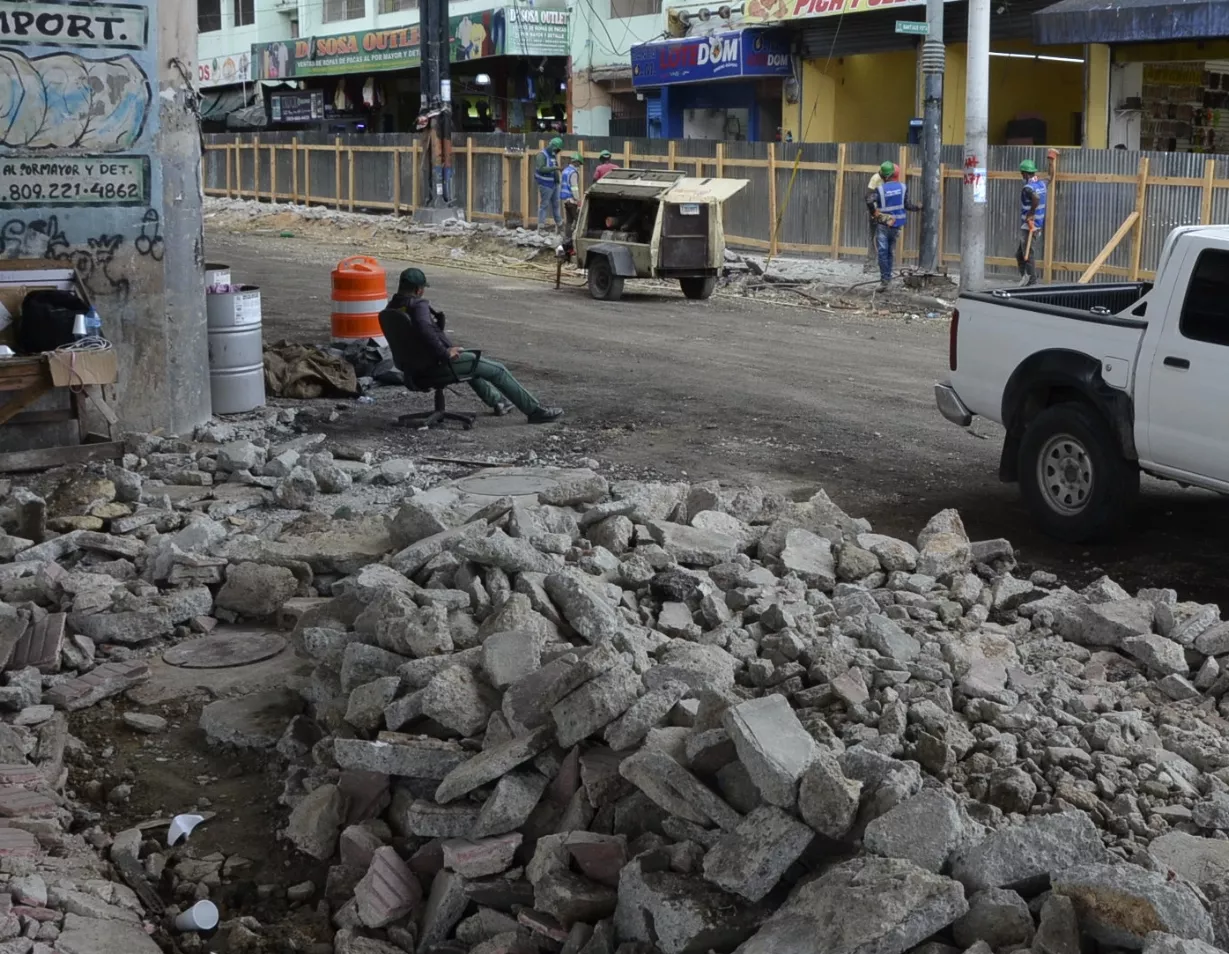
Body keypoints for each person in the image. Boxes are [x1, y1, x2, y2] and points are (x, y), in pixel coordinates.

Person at [388, 268, 564, 424]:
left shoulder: (392, 308)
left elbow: (417, 335)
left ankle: (498, 402)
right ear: (419, 289)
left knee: (472, 363)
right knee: (497, 369)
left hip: (413, 369)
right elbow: (425, 330)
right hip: (435, 367)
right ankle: (535, 411)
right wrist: (445, 352)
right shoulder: (418, 306)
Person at [866, 161, 920, 290]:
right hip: (896, 226)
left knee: (883, 253)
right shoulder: (903, 187)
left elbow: (868, 200)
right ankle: (887, 278)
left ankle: (885, 280)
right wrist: (918, 207)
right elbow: (907, 205)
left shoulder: (880, 190)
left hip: (883, 224)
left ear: (884, 176)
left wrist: (874, 213)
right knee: (889, 252)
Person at [1016, 159, 1047, 287]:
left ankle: (1031, 282)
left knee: (1027, 254)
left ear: (1024, 173)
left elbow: (1036, 198)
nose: (1022, 176)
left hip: (1030, 225)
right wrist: (1051, 162)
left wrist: (1031, 213)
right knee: (1019, 254)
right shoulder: (1041, 184)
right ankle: (1025, 276)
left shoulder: (1028, 188)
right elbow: (1050, 177)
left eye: (1022, 173)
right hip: (1038, 224)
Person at [534, 136, 564, 233]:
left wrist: (558, 180)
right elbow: (541, 168)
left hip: (554, 184)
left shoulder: (552, 155)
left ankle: (560, 226)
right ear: (552, 146)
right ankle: (541, 227)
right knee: (544, 205)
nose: (557, 151)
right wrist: (555, 168)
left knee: (556, 205)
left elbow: (554, 167)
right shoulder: (541, 155)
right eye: (556, 149)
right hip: (545, 184)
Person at [561, 153, 582, 238]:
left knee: (569, 221)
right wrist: (578, 199)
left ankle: (567, 237)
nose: (579, 166)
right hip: (572, 200)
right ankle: (577, 237)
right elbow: (574, 187)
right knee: (579, 219)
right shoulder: (573, 172)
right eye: (579, 164)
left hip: (565, 199)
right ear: (576, 162)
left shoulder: (565, 170)